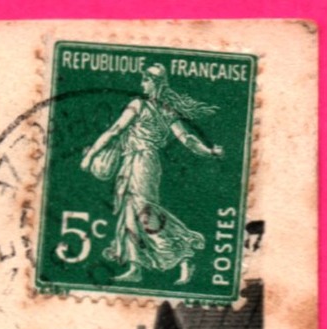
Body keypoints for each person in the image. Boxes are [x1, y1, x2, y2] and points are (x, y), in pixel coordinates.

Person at [80, 63, 224, 285]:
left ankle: (184, 252)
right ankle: (135, 266)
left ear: (155, 83)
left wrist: (91, 156)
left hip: (141, 162)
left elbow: (115, 130)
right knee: (130, 210)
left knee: (143, 210)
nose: (142, 84)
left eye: (145, 80)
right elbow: (187, 139)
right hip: (138, 161)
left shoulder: (138, 105)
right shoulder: (168, 111)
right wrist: (210, 151)